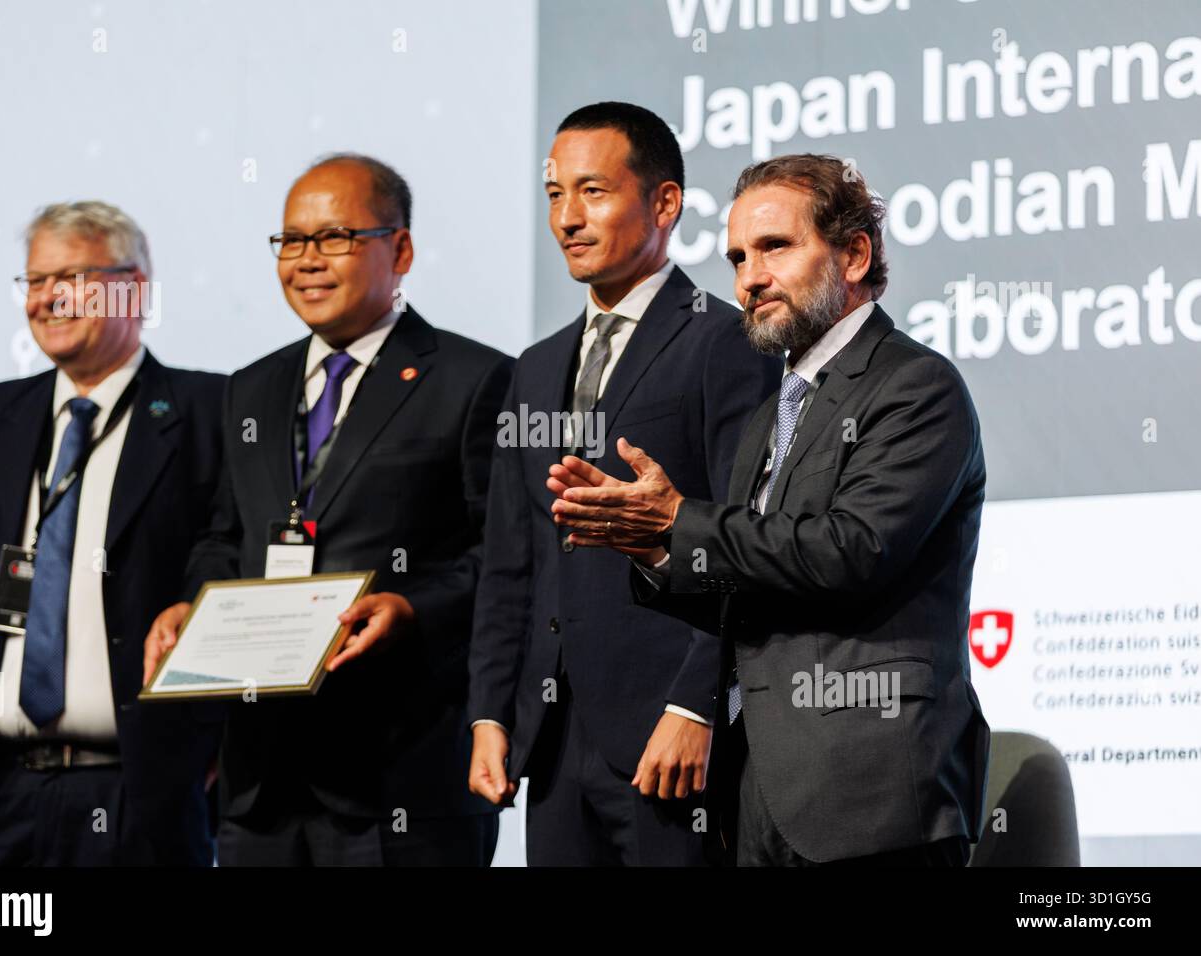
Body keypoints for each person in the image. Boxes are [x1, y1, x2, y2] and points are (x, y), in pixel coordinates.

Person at [549, 153, 991, 866]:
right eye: (737, 257)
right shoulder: (769, 414)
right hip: (754, 795)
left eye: (775, 247)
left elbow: (850, 552)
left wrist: (677, 522)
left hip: (870, 797)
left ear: (853, 254)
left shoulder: (916, 387)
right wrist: (658, 551)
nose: (749, 278)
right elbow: (752, 579)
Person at [144, 154, 511, 866]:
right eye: (292, 241)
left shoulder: (474, 379)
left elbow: (500, 556)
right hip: (261, 787)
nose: (307, 260)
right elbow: (226, 536)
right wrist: (191, 605)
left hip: (401, 779)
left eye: (335, 237)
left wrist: (412, 606)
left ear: (399, 249)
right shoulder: (251, 387)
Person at [467, 102, 779, 865]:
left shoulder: (724, 340)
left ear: (664, 203)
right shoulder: (535, 366)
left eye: (594, 192)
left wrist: (697, 701)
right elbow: (513, 559)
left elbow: (747, 536)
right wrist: (490, 714)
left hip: (667, 736)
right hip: (550, 736)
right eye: (553, 194)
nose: (567, 218)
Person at [0, 201, 224, 865]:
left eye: (70, 278)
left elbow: (228, 576)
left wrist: (215, 749)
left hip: (139, 799)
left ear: (134, 289)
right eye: (35, 281)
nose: (48, 298)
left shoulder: (209, 413)